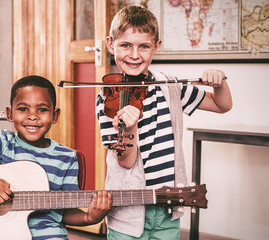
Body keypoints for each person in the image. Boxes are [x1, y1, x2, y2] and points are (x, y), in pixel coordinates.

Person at [96, 6, 233, 240]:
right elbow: (126, 162)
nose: (135, 54)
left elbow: (222, 105)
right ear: (111, 45)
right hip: (127, 212)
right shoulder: (108, 97)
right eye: (125, 45)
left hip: (167, 208)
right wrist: (129, 129)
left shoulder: (169, 87)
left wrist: (218, 82)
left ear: (156, 47)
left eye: (144, 46)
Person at [0, 75, 112, 239]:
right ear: (10, 114)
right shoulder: (2, 143)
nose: (32, 117)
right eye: (22, 109)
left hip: (47, 234)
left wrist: (90, 217)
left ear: (54, 115)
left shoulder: (67, 157)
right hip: (0, 231)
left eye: (42, 109)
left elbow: (65, 211)